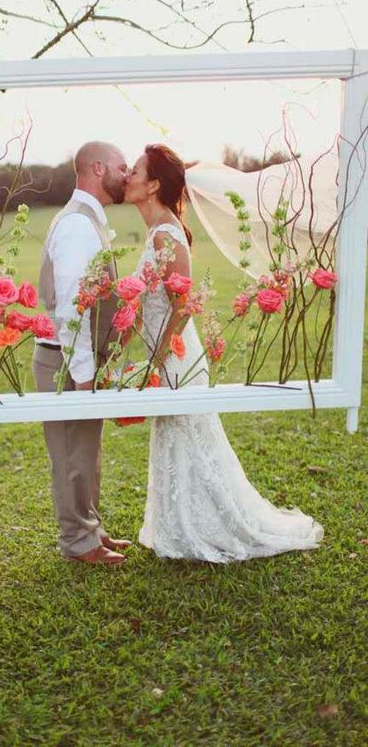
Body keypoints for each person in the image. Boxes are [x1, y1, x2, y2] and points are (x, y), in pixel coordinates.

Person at [125, 143, 324, 562]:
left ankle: (213, 527)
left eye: (136, 171)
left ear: (154, 184)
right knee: (177, 437)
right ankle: (177, 526)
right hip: (165, 351)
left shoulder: (166, 232)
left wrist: (158, 361)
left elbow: (182, 306)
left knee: (192, 437)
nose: (128, 176)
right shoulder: (157, 229)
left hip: (175, 353)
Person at [33, 141, 132, 565]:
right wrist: (85, 374)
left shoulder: (89, 219)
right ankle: (77, 542)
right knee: (72, 455)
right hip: (66, 360)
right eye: (122, 166)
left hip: (76, 357)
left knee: (86, 452)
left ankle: (91, 529)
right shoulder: (76, 224)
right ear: (97, 167)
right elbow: (74, 303)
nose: (127, 174)